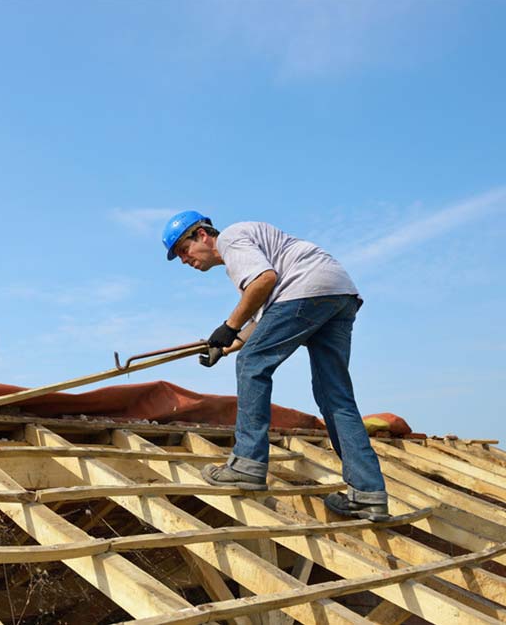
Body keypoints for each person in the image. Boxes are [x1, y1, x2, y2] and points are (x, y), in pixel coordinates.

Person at [162, 210, 389, 521]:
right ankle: (368, 494)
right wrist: (224, 347)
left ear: (202, 235)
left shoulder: (229, 239)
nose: (185, 260)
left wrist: (228, 326)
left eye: (183, 251)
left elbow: (265, 282)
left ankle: (247, 464)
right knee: (334, 396)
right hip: (337, 292)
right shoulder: (247, 255)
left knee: (252, 365)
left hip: (305, 289)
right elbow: (262, 321)